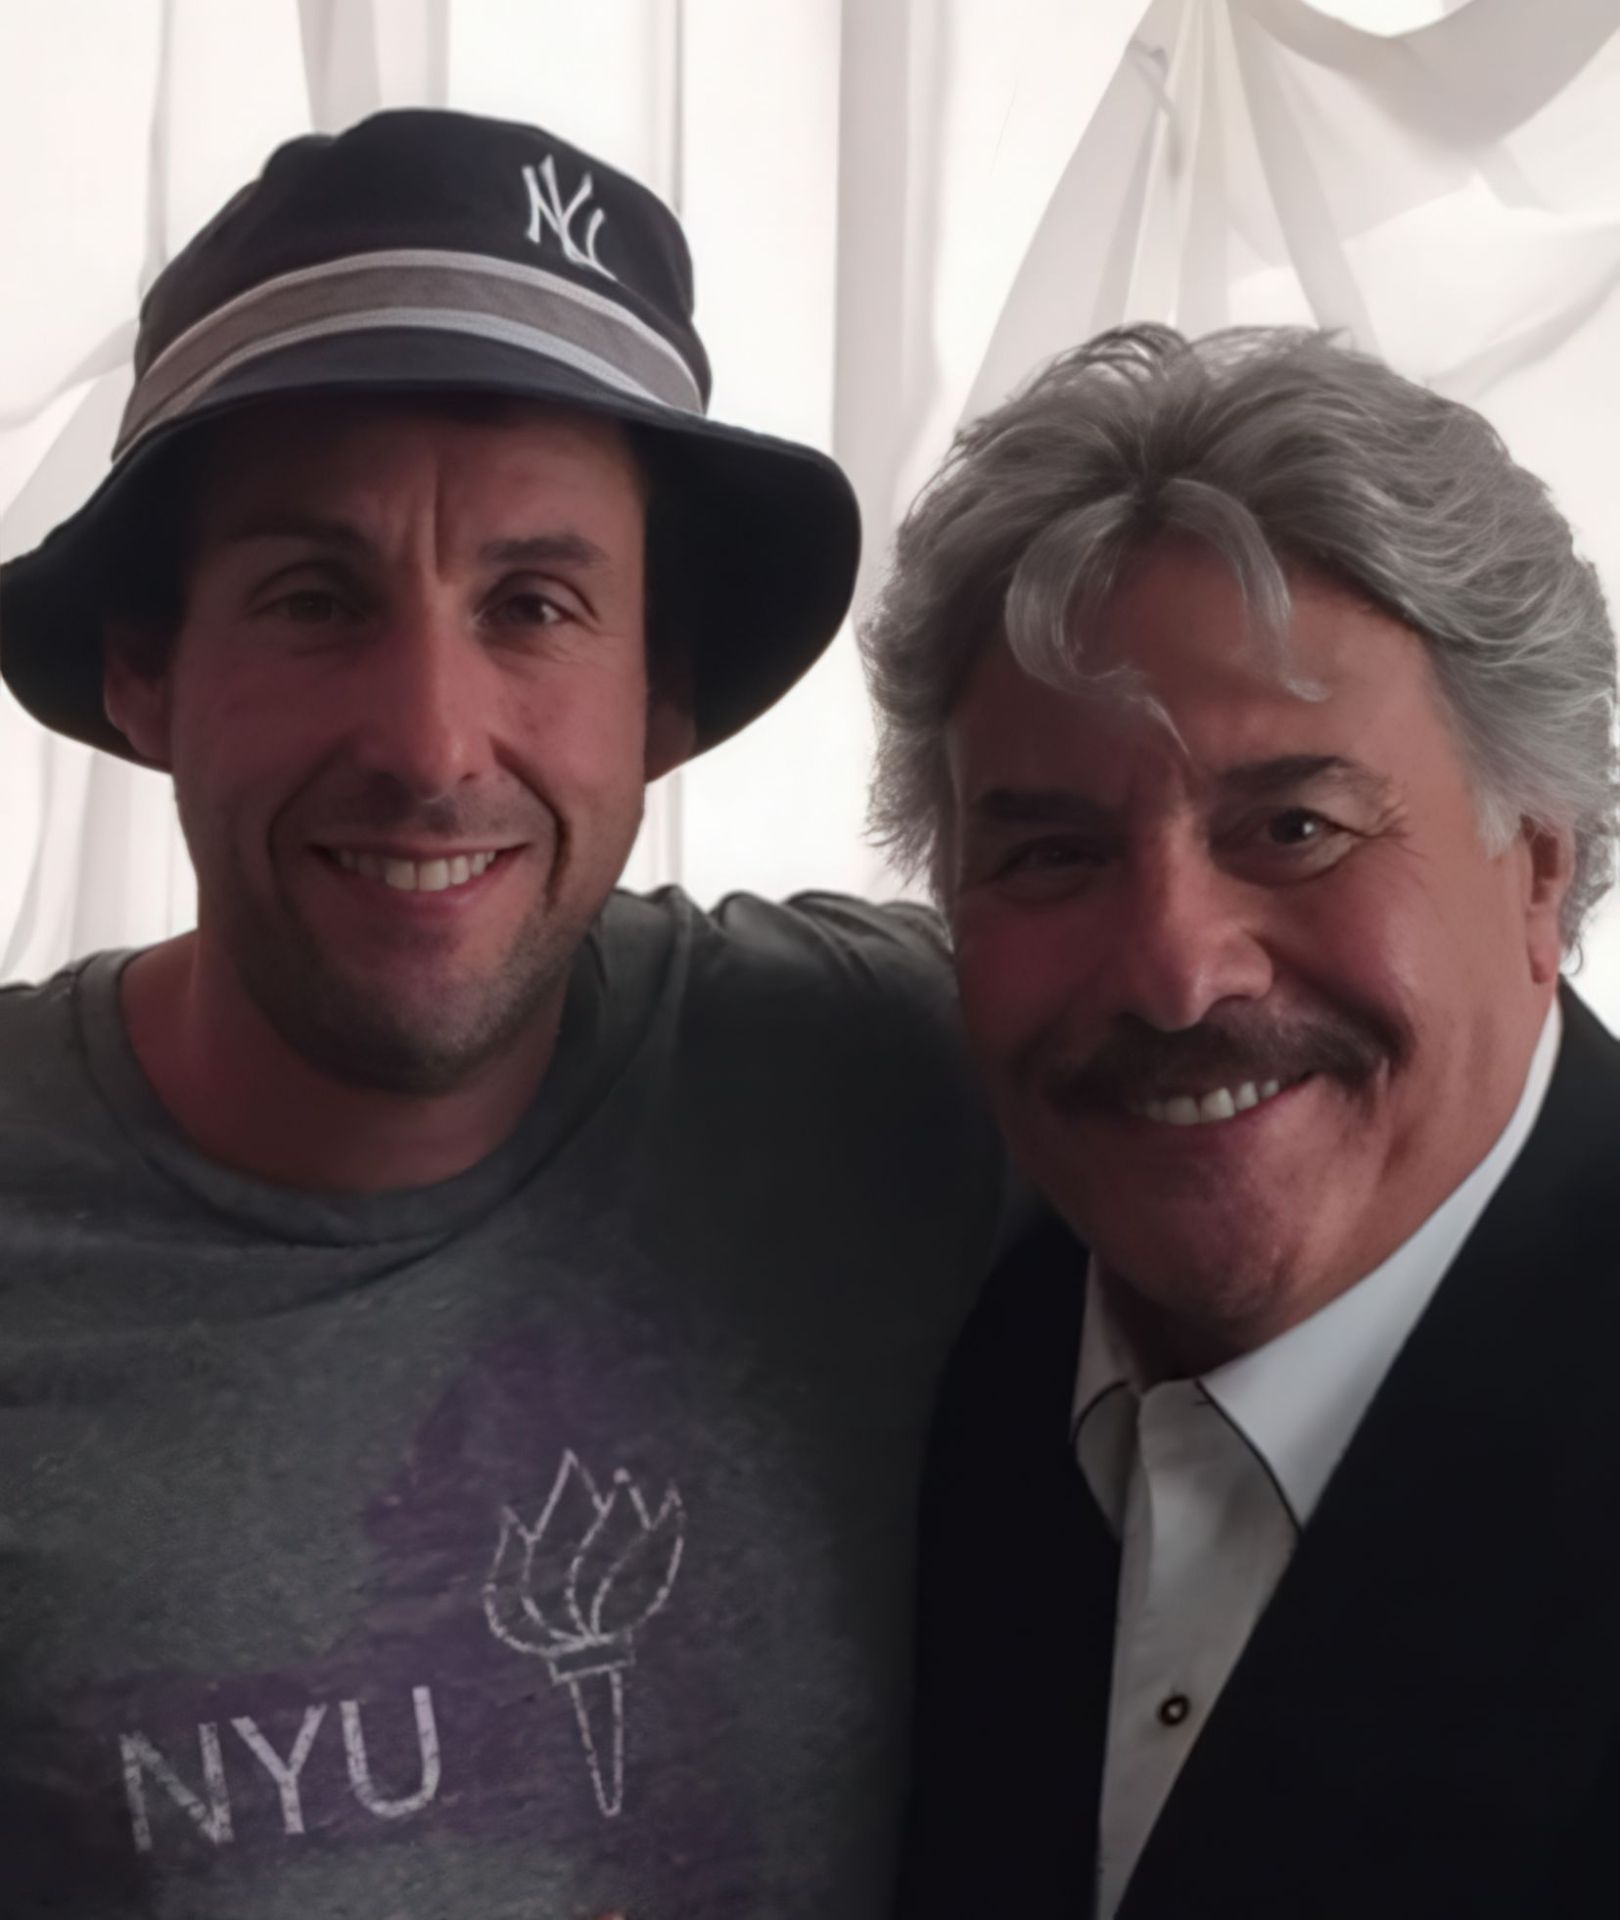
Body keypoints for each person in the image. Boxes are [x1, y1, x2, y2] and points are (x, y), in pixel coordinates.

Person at [0, 109, 1004, 1919]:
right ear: (147, 673)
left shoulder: (901, 1078)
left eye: (533, 604)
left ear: (661, 701)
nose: (429, 741)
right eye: (315, 598)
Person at [861, 324, 1620, 1918]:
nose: (1173, 973)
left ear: (1541, 862)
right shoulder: (962, 1360)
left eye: (1292, 826)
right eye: (1052, 855)